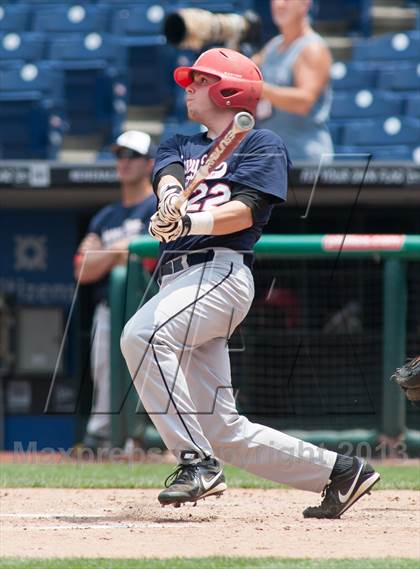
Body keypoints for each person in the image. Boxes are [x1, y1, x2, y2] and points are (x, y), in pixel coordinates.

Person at [120, 48, 380, 518]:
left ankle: (196, 463)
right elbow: (170, 178)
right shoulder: (179, 142)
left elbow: (243, 211)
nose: (189, 87)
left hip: (219, 273)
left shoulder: (261, 144)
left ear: (229, 90)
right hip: (176, 285)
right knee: (224, 430)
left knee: (141, 335)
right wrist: (172, 204)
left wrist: (191, 223)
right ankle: (341, 473)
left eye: (199, 80)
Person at [74, 130, 157, 451]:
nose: (123, 162)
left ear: (150, 163)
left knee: (152, 375)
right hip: (109, 307)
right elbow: (82, 270)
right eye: (119, 155)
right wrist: (121, 250)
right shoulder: (105, 216)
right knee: (105, 371)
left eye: (132, 156)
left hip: (150, 306)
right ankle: (103, 437)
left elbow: (148, 254)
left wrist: (107, 254)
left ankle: (146, 440)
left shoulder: (158, 207)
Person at [253, 0, 334, 162]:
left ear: (305, 4)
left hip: (305, 159)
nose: (279, 5)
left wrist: (258, 89)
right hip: (272, 160)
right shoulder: (272, 46)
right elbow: (244, 74)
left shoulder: (312, 48)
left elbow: (304, 102)